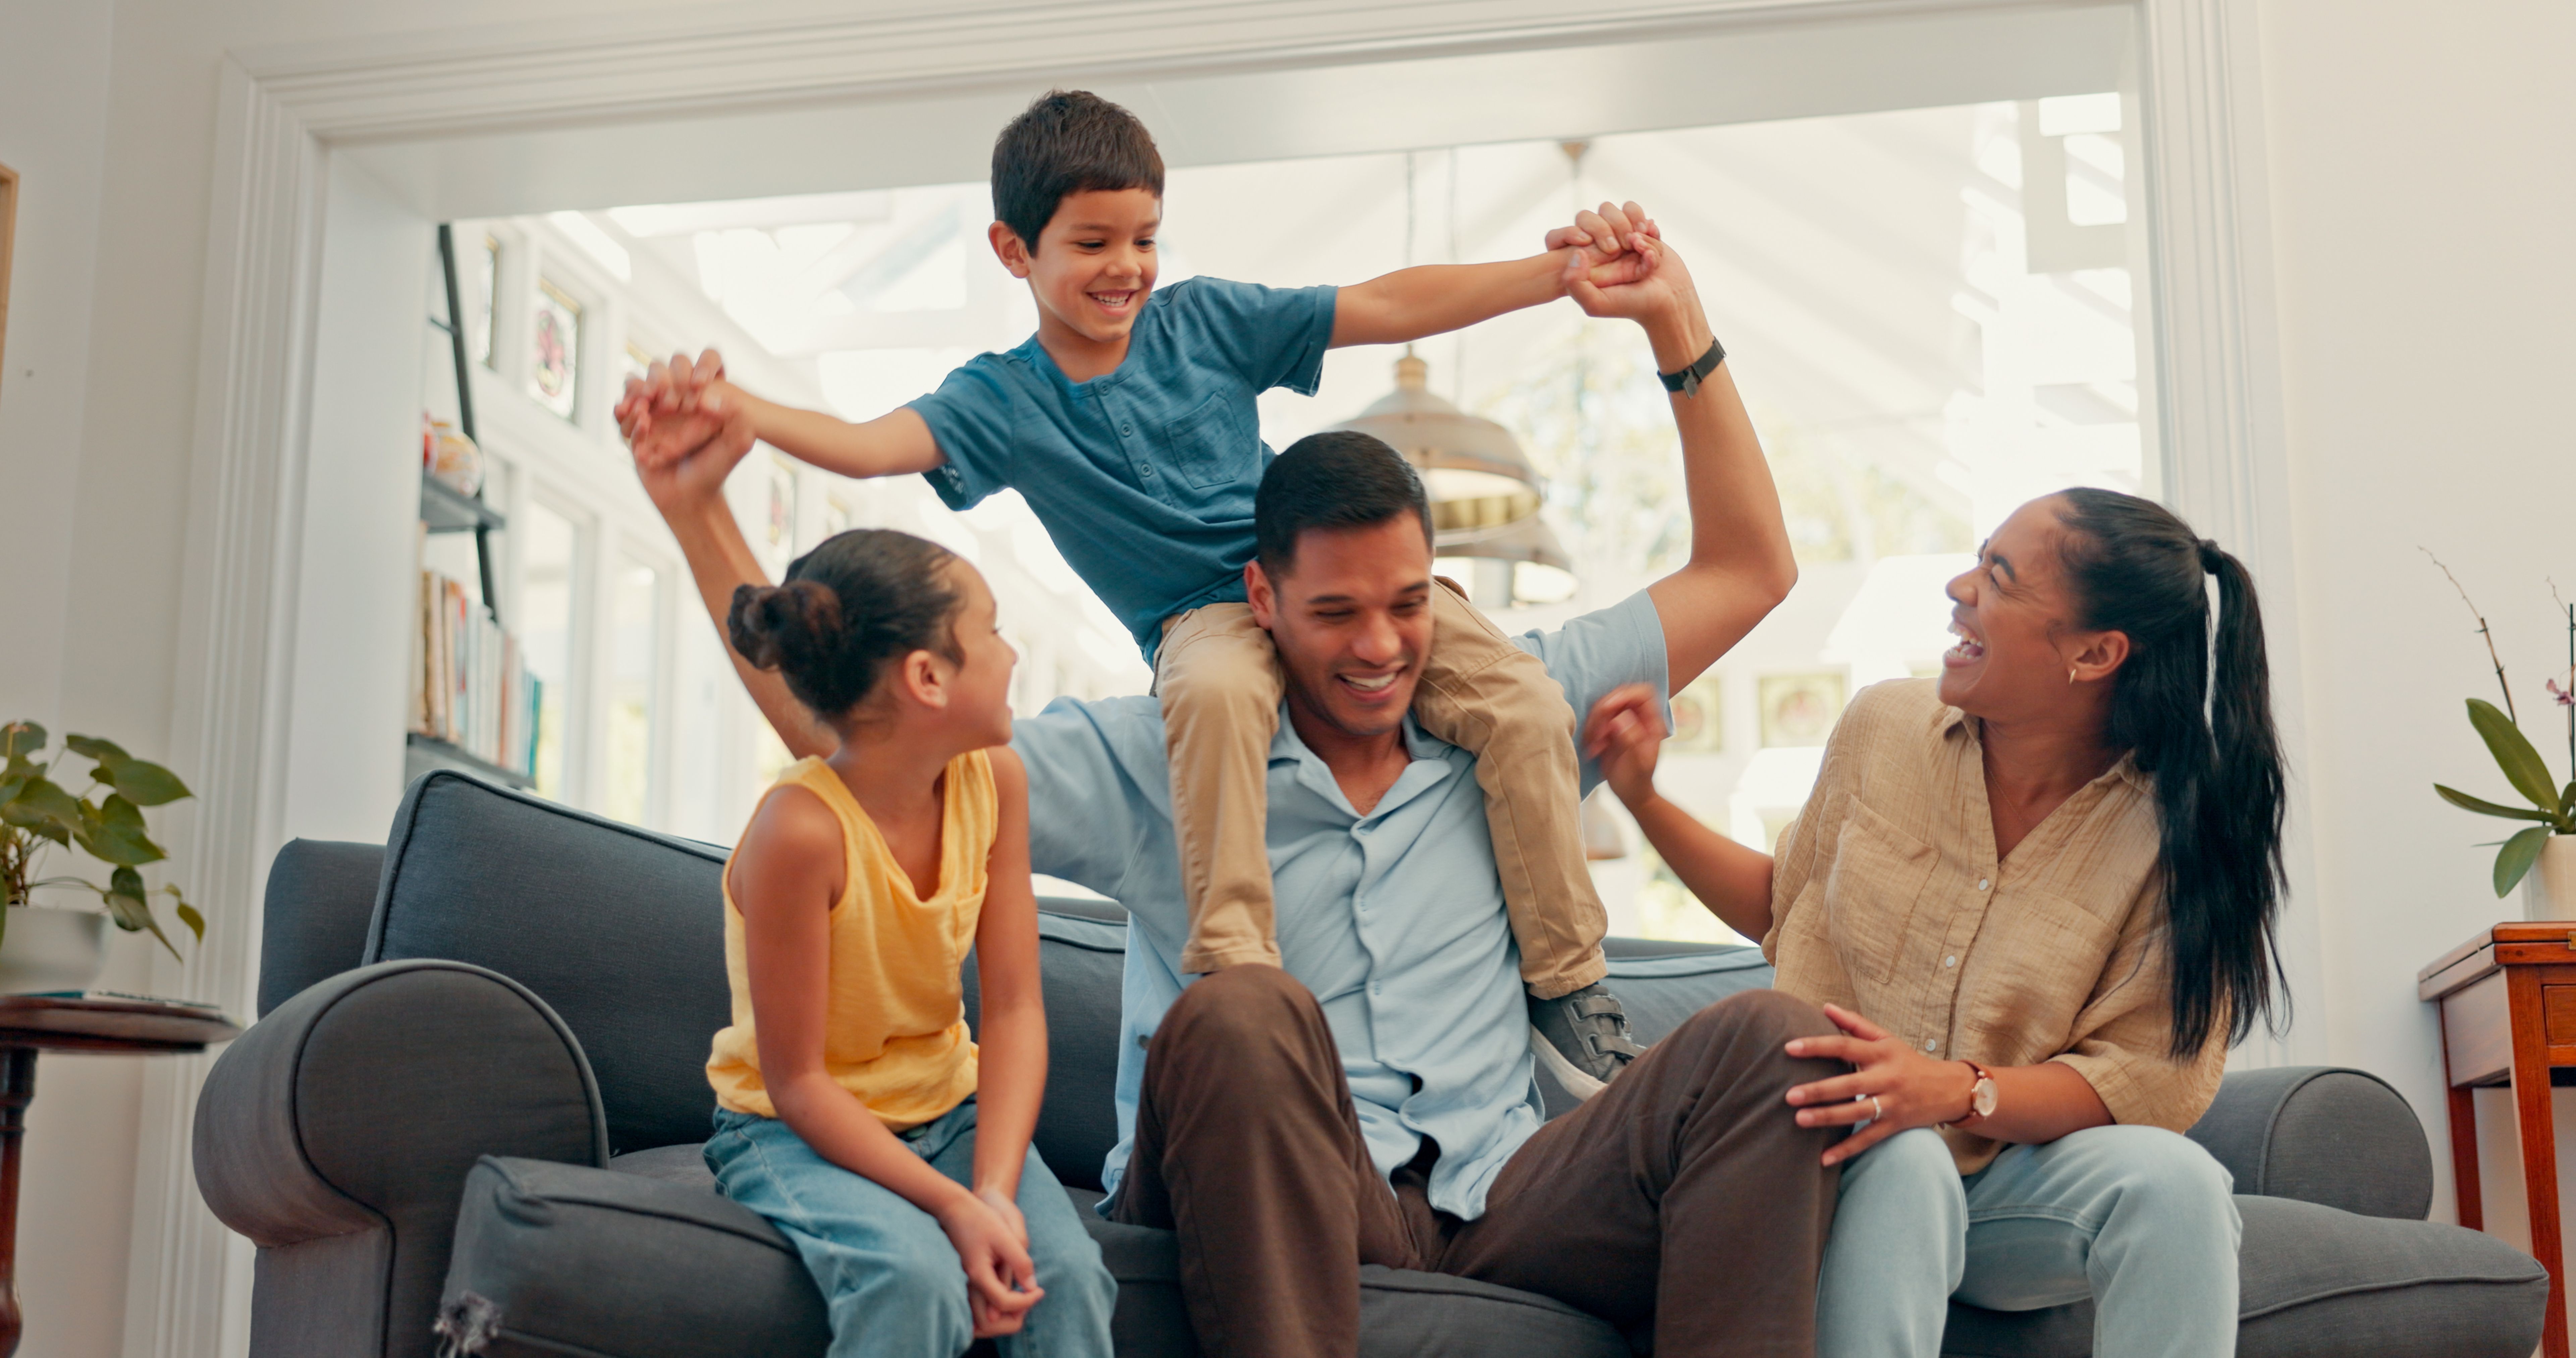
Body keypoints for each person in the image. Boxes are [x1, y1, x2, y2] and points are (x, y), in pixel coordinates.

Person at [640, 206, 1849, 1358]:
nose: (1379, 647)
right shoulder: (1160, 751)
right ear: (1260, 602)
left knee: (1766, 1039)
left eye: (1409, 606)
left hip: (1502, 1195)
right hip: (1269, 1173)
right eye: (1335, 614)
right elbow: (864, 733)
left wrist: (1674, 327)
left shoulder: (1525, 704)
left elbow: (1751, 568)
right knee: (1242, 1003)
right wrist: (702, 518)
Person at [621, 89, 1662, 1095]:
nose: (1126, 268)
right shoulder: (1002, 400)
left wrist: (1554, 273)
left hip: (1313, 579)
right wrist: (743, 409)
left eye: (1144, 239)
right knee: (1211, 700)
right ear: (1013, 251)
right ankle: (1239, 966)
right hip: (1201, 621)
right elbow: (864, 448)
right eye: (1093, 244)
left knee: (1526, 701)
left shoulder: (1204, 322)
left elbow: (1386, 304)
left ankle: (1567, 987)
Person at [1585, 487, 2284, 1357]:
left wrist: (1958, 1088)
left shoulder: (2175, 829)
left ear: (2095, 652)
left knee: (2180, 1185)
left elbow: (2137, 1078)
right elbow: (1784, 908)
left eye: (1998, 576)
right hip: (1833, 1158)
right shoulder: (1884, 727)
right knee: (1908, 1154)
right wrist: (1642, 796)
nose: (1960, 587)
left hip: (2005, 1185)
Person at [701, 528, 1117, 1357]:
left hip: (951, 1109)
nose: (1012, 655)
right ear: (928, 678)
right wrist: (956, 1210)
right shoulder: (801, 831)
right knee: (913, 1278)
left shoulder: (995, 780)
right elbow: (799, 1083)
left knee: (1065, 1275)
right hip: (792, 1130)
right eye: (993, 632)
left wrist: (994, 1194)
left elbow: (1014, 1008)